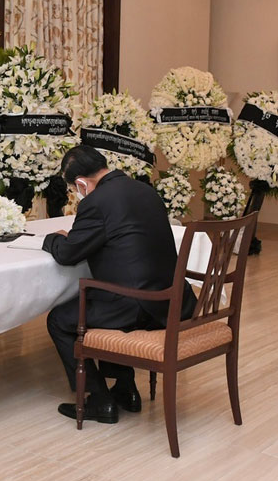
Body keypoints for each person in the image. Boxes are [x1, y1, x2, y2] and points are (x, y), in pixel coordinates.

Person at [43, 145, 197, 424]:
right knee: (105, 293)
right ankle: (126, 389)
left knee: (59, 319)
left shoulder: (96, 201)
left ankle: (99, 399)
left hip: (138, 307)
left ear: (81, 183)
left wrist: (52, 239)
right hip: (172, 301)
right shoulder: (145, 190)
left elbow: (68, 255)